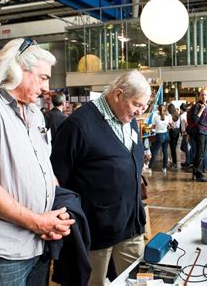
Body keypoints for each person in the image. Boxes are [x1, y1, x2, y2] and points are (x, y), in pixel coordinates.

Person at [0, 38, 75, 285]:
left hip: (38, 243)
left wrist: (56, 215)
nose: (47, 86)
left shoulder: (34, 113)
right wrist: (38, 221)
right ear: (15, 69)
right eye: (42, 77)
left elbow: (44, 170)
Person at [50, 70, 151, 285]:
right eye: (137, 104)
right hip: (97, 230)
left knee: (134, 280)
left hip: (130, 223)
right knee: (93, 281)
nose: (141, 111)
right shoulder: (78, 125)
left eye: (144, 106)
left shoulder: (129, 119)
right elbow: (57, 178)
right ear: (117, 94)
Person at [188, 89, 207, 181]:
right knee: (199, 153)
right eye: (202, 95)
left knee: (202, 153)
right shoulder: (196, 106)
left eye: (205, 95)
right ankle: (198, 174)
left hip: (205, 132)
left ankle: (197, 173)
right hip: (199, 132)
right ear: (199, 96)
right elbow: (194, 120)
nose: (204, 96)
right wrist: (201, 109)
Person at [149, 104, 172, 173]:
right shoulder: (167, 117)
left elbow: (153, 127)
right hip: (166, 135)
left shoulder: (156, 117)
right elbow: (170, 126)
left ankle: (150, 167)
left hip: (159, 135)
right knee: (165, 152)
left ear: (158, 110)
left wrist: (152, 127)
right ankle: (164, 168)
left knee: (155, 152)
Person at [167, 103, 180, 169]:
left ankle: (174, 163)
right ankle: (173, 161)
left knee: (172, 149)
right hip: (177, 132)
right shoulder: (177, 114)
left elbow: (170, 125)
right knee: (174, 148)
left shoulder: (169, 115)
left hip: (172, 132)